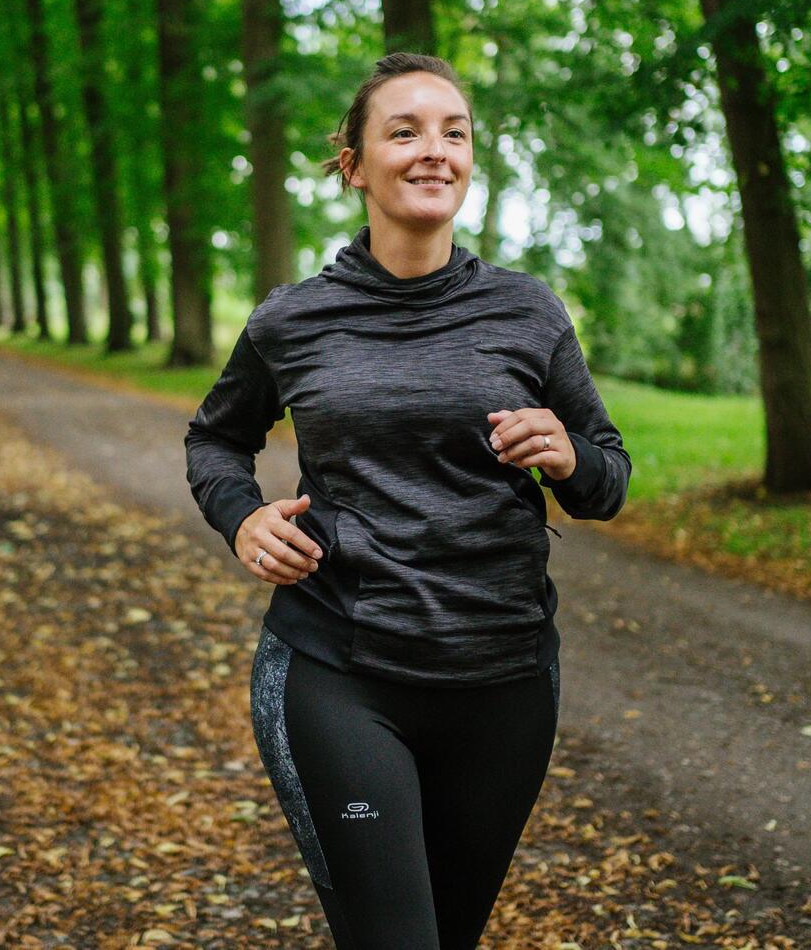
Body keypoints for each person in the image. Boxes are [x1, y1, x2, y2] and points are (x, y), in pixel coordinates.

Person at [183, 51, 633, 949]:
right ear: (352, 164)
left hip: (505, 681)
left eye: (454, 132)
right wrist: (244, 518)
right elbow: (215, 439)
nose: (435, 150)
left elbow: (607, 478)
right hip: (342, 673)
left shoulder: (528, 312)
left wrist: (567, 452)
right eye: (405, 131)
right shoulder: (293, 319)